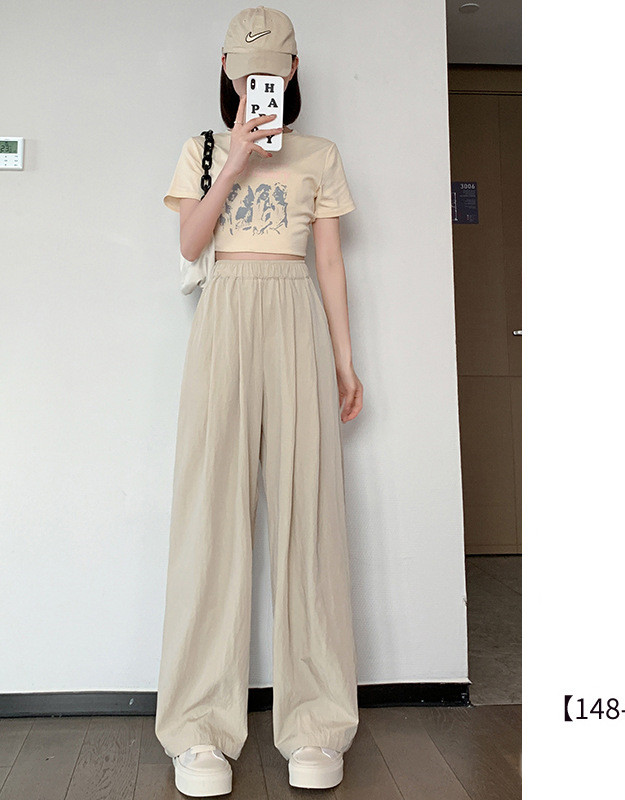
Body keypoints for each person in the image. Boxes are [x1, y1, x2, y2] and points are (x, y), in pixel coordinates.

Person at [154, 6, 363, 796]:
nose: (257, 86)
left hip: (295, 317)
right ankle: (198, 732)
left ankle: (315, 724)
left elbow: (331, 264)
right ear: (226, 71)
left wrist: (345, 360)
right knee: (210, 520)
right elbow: (189, 243)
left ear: (293, 72)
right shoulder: (203, 149)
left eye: (270, 73)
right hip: (224, 322)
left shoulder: (320, 155)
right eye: (246, 75)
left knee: (310, 519)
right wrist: (235, 160)